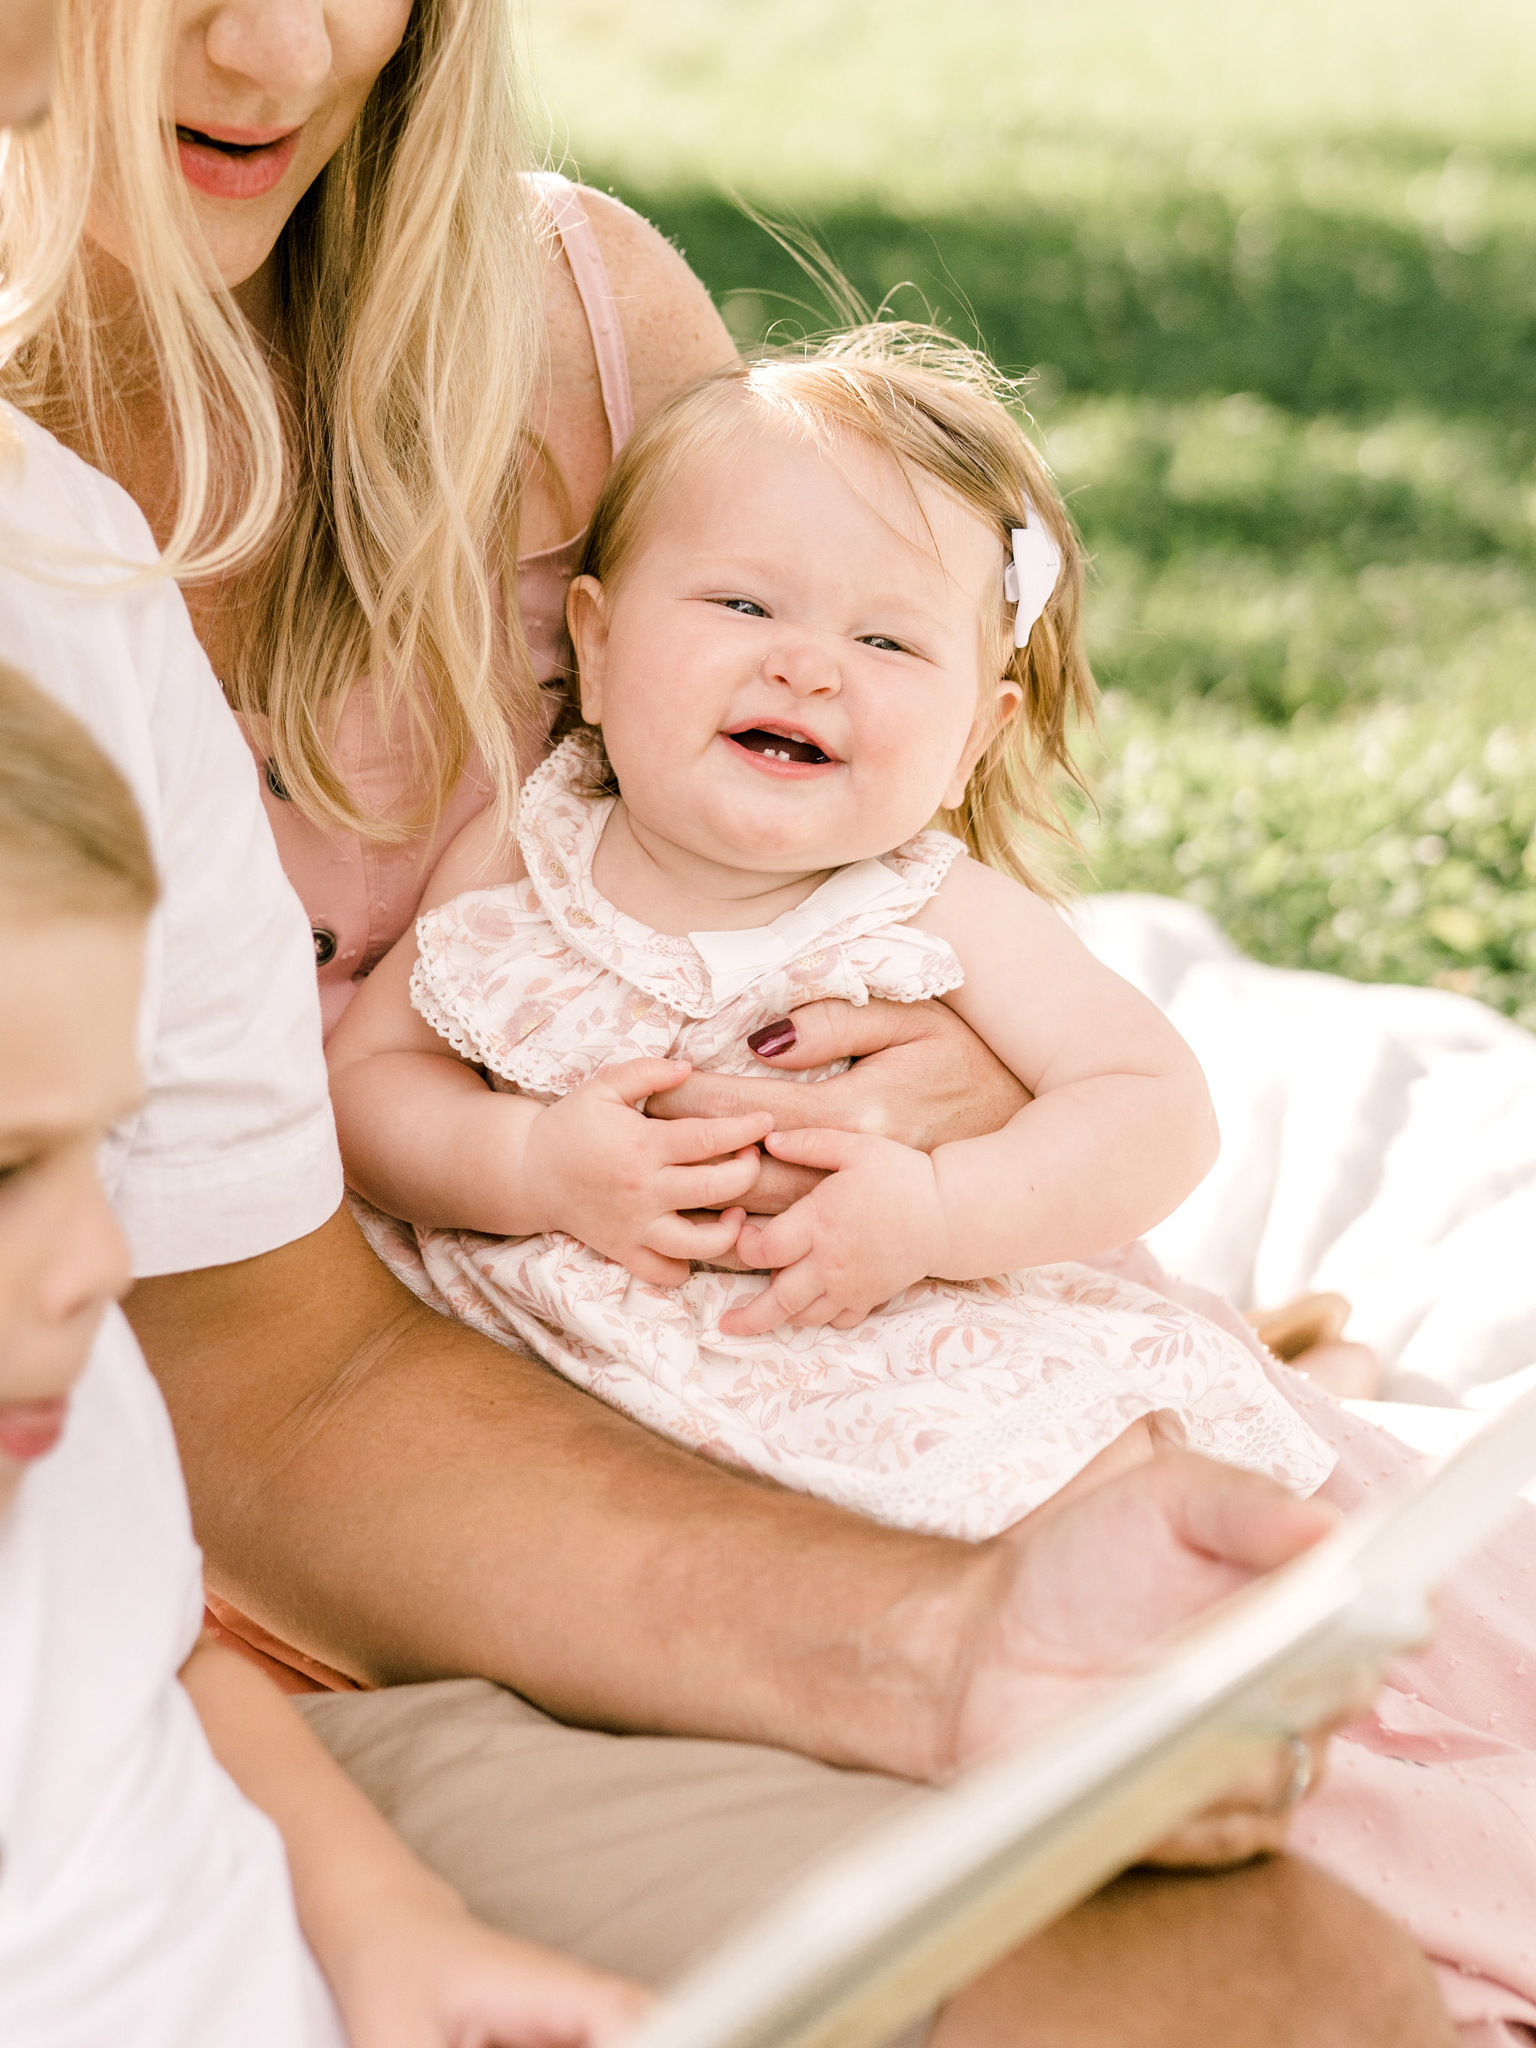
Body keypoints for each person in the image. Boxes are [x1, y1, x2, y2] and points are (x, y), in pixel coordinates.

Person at [0, 2, 1457, 2041]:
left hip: (741, 1397)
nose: (278, 43)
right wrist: (932, 1647)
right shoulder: (44, 554)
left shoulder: (580, 333)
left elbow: (858, 840)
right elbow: (270, 1384)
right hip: (334, 1542)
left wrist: (952, 1068)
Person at [326, 333, 1335, 1537]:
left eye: (888, 641)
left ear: (972, 740)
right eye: (744, 602)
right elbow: (370, 1079)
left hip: (880, 1350)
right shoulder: (526, 850)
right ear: (595, 647)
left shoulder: (925, 907)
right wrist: (528, 1163)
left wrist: (940, 1209)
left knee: (1096, 1503)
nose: (806, 666)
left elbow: (1157, 1106)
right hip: (562, 1373)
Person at [0, 659, 646, 2046]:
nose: (102, 1265)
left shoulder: (64, 1415)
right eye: (4, 1172)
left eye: (99, 1155)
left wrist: (394, 1928)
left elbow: (161, 1657)